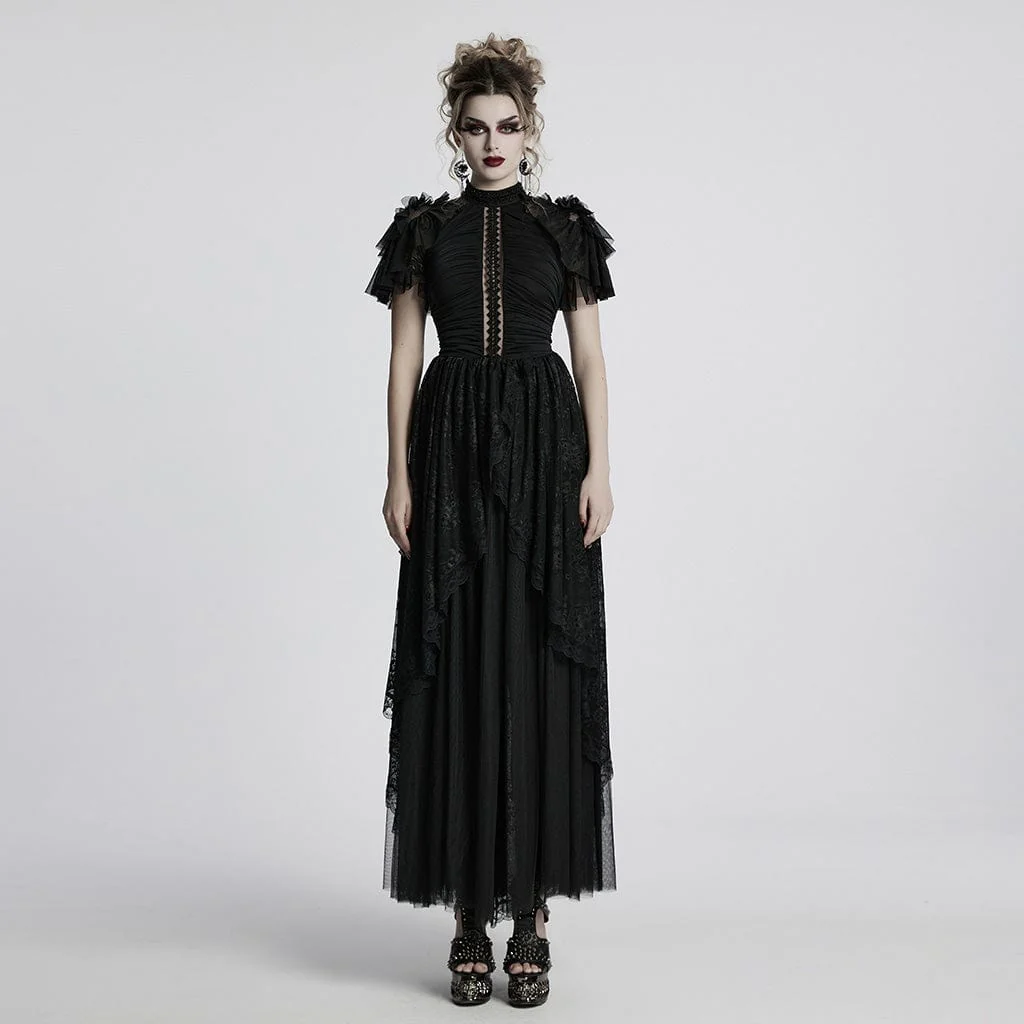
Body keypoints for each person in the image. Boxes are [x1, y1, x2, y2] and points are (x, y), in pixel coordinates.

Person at [365, 33, 617, 1008]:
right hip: (449, 458)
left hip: (548, 460)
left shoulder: (565, 231)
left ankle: (533, 915)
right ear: (456, 136)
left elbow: (589, 359)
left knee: (538, 665)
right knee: (464, 664)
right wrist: (398, 474)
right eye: (475, 128)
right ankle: (469, 913)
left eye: (508, 126)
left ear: (530, 129)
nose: (493, 142)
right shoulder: (423, 232)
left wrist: (600, 468)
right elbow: (403, 358)